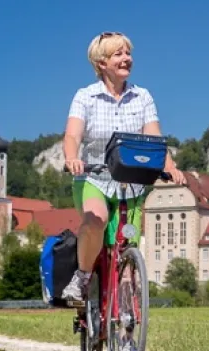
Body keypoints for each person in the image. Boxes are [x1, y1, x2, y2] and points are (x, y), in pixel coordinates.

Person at [60, 31, 185, 308]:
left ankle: (127, 316)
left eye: (128, 53)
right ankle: (82, 277)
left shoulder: (142, 97)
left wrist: (170, 167)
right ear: (101, 63)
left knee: (128, 246)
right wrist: (72, 158)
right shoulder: (86, 97)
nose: (127, 58)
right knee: (96, 220)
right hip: (94, 178)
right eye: (118, 54)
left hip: (132, 182)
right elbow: (72, 135)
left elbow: (154, 138)